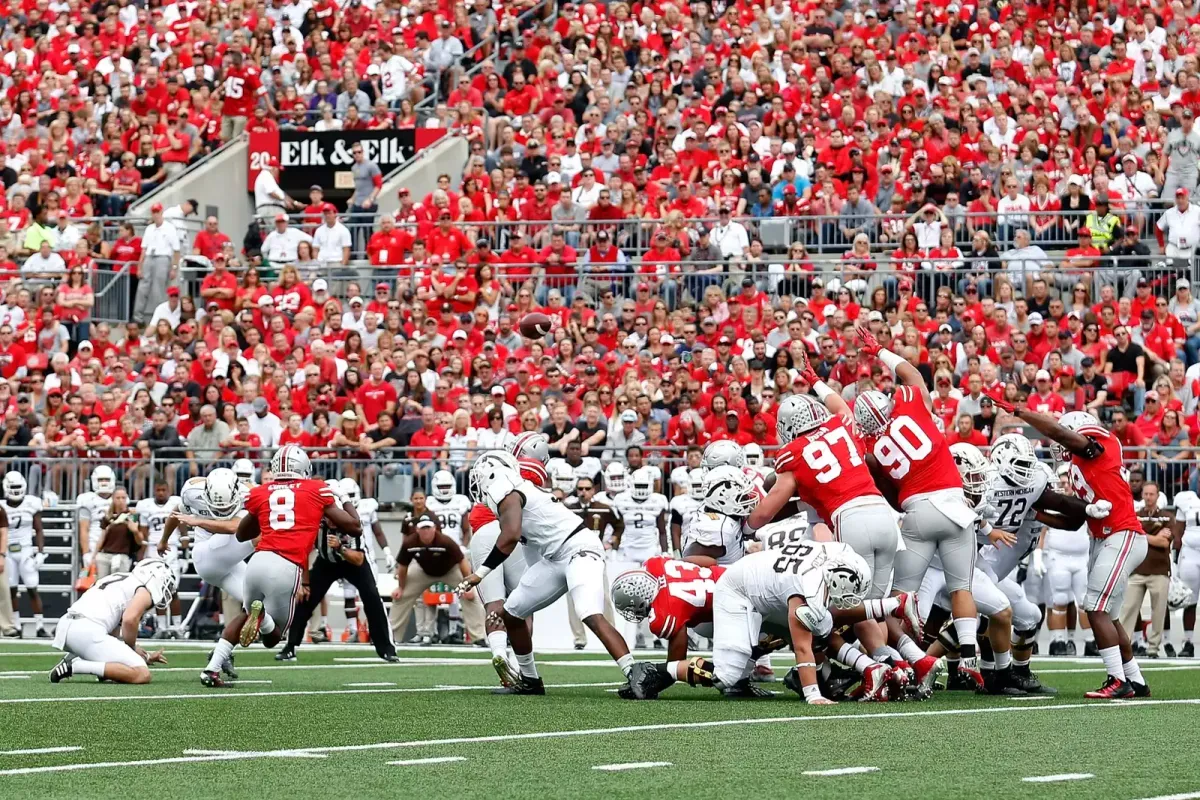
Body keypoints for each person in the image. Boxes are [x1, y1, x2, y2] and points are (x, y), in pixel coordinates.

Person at [455, 452, 659, 698]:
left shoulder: (507, 491)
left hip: (579, 549)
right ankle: (530, 680)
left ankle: (634, 671)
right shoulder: (521, 493)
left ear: (492, 475)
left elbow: (509, 537)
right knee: (512, 612)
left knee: (588, 612)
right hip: (555, 557)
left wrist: (479, 573)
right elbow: (529, 546)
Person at [850, 327, 985, 688]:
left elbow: (890, 495)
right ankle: (969, 657)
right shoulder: (909, 401)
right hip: (953, 505)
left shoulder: (871, 453)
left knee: (898, 598)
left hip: (916, 511)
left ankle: (904, 659)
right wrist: (878, 349)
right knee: (961, 588)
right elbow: (910, 371)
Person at [992, 403, 1149, 699]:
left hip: (1122, 534)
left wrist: (1022, 412)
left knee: (1095, 608)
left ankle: (1117, 680)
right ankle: (1135, 679)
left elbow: (1058, 431)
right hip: (1104, 539)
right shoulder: (1078, 469)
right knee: (1109, 615)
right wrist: (1034, 513)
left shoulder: (1102, 446)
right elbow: (1072, 522)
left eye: (1064, 435)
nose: (1059, 444)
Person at [199, 445, 360, 687]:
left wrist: (265, 520)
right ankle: (261, 616)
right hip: (285, 566)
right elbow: (354, 527)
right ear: (304, 467)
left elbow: (243, 534)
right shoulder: (317, 489)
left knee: (245, 614)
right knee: (273, 638)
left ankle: (211, 669)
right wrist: (343, 498)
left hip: (257, 562)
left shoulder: (261, 491)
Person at [276, 479, 398, 663]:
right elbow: (303, 552)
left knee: (372, 597)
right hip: (326, 562)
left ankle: (386, 649)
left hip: (353, 562)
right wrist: (305, 582)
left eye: (335, 515)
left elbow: (359, 559)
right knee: (305, 599)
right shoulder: (314, 523)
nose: (331, 520)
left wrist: (341, 548)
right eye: (327, 515)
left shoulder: (352, 524)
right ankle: (290, 646)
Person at [48, 559, 174, 684]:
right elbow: (130, 620)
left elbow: (112, 636)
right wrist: (132, 649)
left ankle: (74, 658)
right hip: (87, 631)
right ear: (153, 576)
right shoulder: (143, 589)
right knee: (142, 674)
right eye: (165, 582)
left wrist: (142, 656)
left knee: (116, 671)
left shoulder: (120, 579)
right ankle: (75, 666)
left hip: (67, 625)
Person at [1119, 482, 1174, 659]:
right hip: (1137, 569)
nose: (1148, 497)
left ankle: (1153, 647)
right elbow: (1131, 536)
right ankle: (1124, 646)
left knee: (1158, 611)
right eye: (1146, 494)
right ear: (1142, 495)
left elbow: (1164, 542)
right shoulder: (1135, 515)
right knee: (1128, 609)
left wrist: (1142, 534)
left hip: (1159, 570)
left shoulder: (1167, 516)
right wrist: (1153, 536)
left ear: (1158, 496)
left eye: (1152, 494)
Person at [3, 471, 45, 637]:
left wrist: (41, 552)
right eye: (12, 487)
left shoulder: (31, 503)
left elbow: (39, 529)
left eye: (17, 487)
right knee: (12, 590)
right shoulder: (2, 506)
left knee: (32, 588)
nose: (15, 490)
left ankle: (40, 626)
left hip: (26, 550)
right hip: (7, 551)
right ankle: (16, 626)